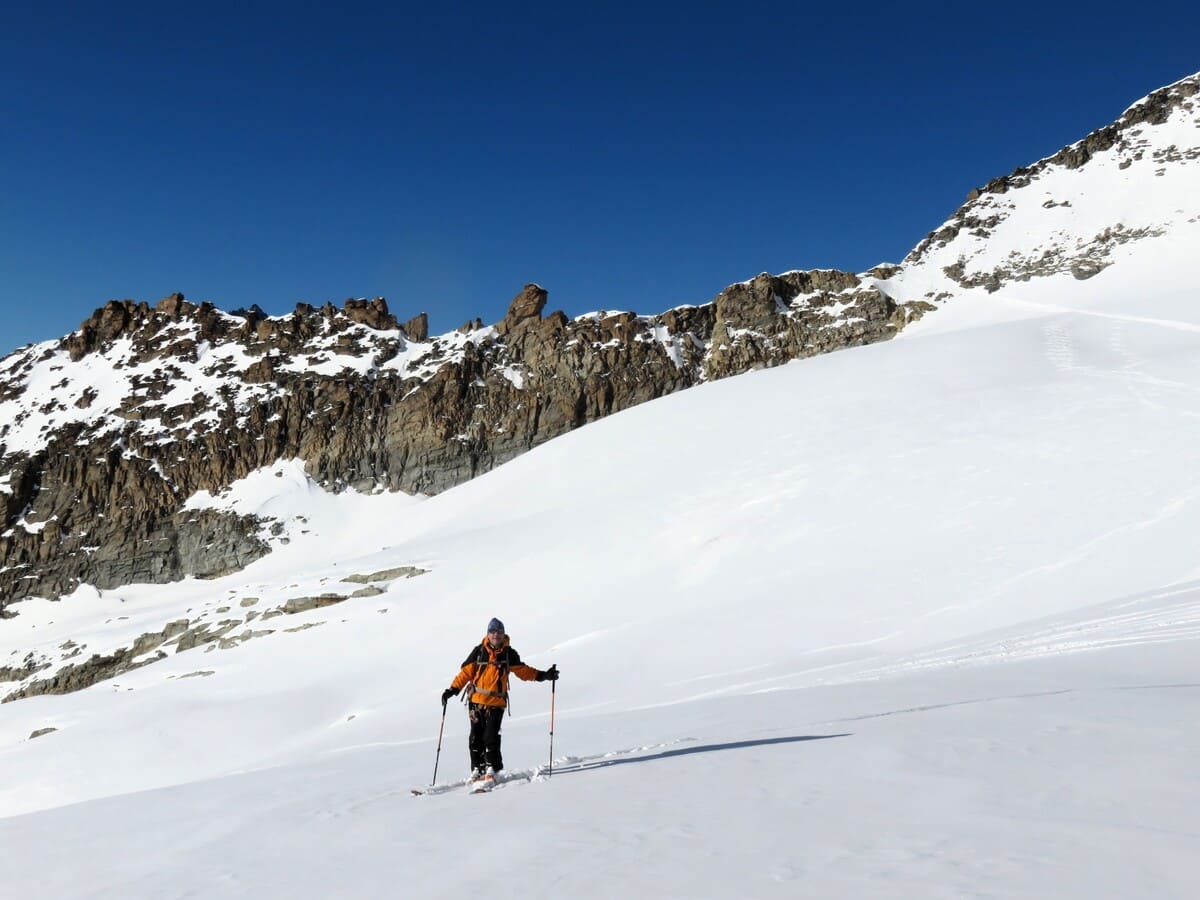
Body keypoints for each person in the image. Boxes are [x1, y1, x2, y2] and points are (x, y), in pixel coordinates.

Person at [441, 617, 558, 784]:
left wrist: (544, 675)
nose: (496, 635)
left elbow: (524, 672)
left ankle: (493, 768)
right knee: (475, 737)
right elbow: (466, 673)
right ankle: (477, 769)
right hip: (475, 701)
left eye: (499, 632)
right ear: (488, 634)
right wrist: (452, 690)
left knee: (490, 736)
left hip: (496, 703)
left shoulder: (508, 654)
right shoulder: (479, 651)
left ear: (503, 634)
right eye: (492, 632)